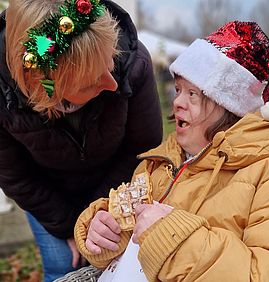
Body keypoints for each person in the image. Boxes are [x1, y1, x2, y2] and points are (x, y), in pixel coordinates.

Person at [71, 21, 269, 281]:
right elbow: (125, 233)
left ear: (229, 106)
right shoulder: (159, 162)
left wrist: (172, 241)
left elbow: (268, 272)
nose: (178, 102)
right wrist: (102, 231)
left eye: (193, 94)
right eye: (179, 89)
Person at [0, 0, 163, 281]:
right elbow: (16, 176)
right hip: (47, 194)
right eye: (89, 82)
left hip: (115, 183)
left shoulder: (133, 61)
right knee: (62, 265)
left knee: (114, 265)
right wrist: (69, 226)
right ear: (44, 84)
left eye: (109, 63)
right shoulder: (5, 95)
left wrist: (95, 216)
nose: (112, 84)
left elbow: (141, 150)